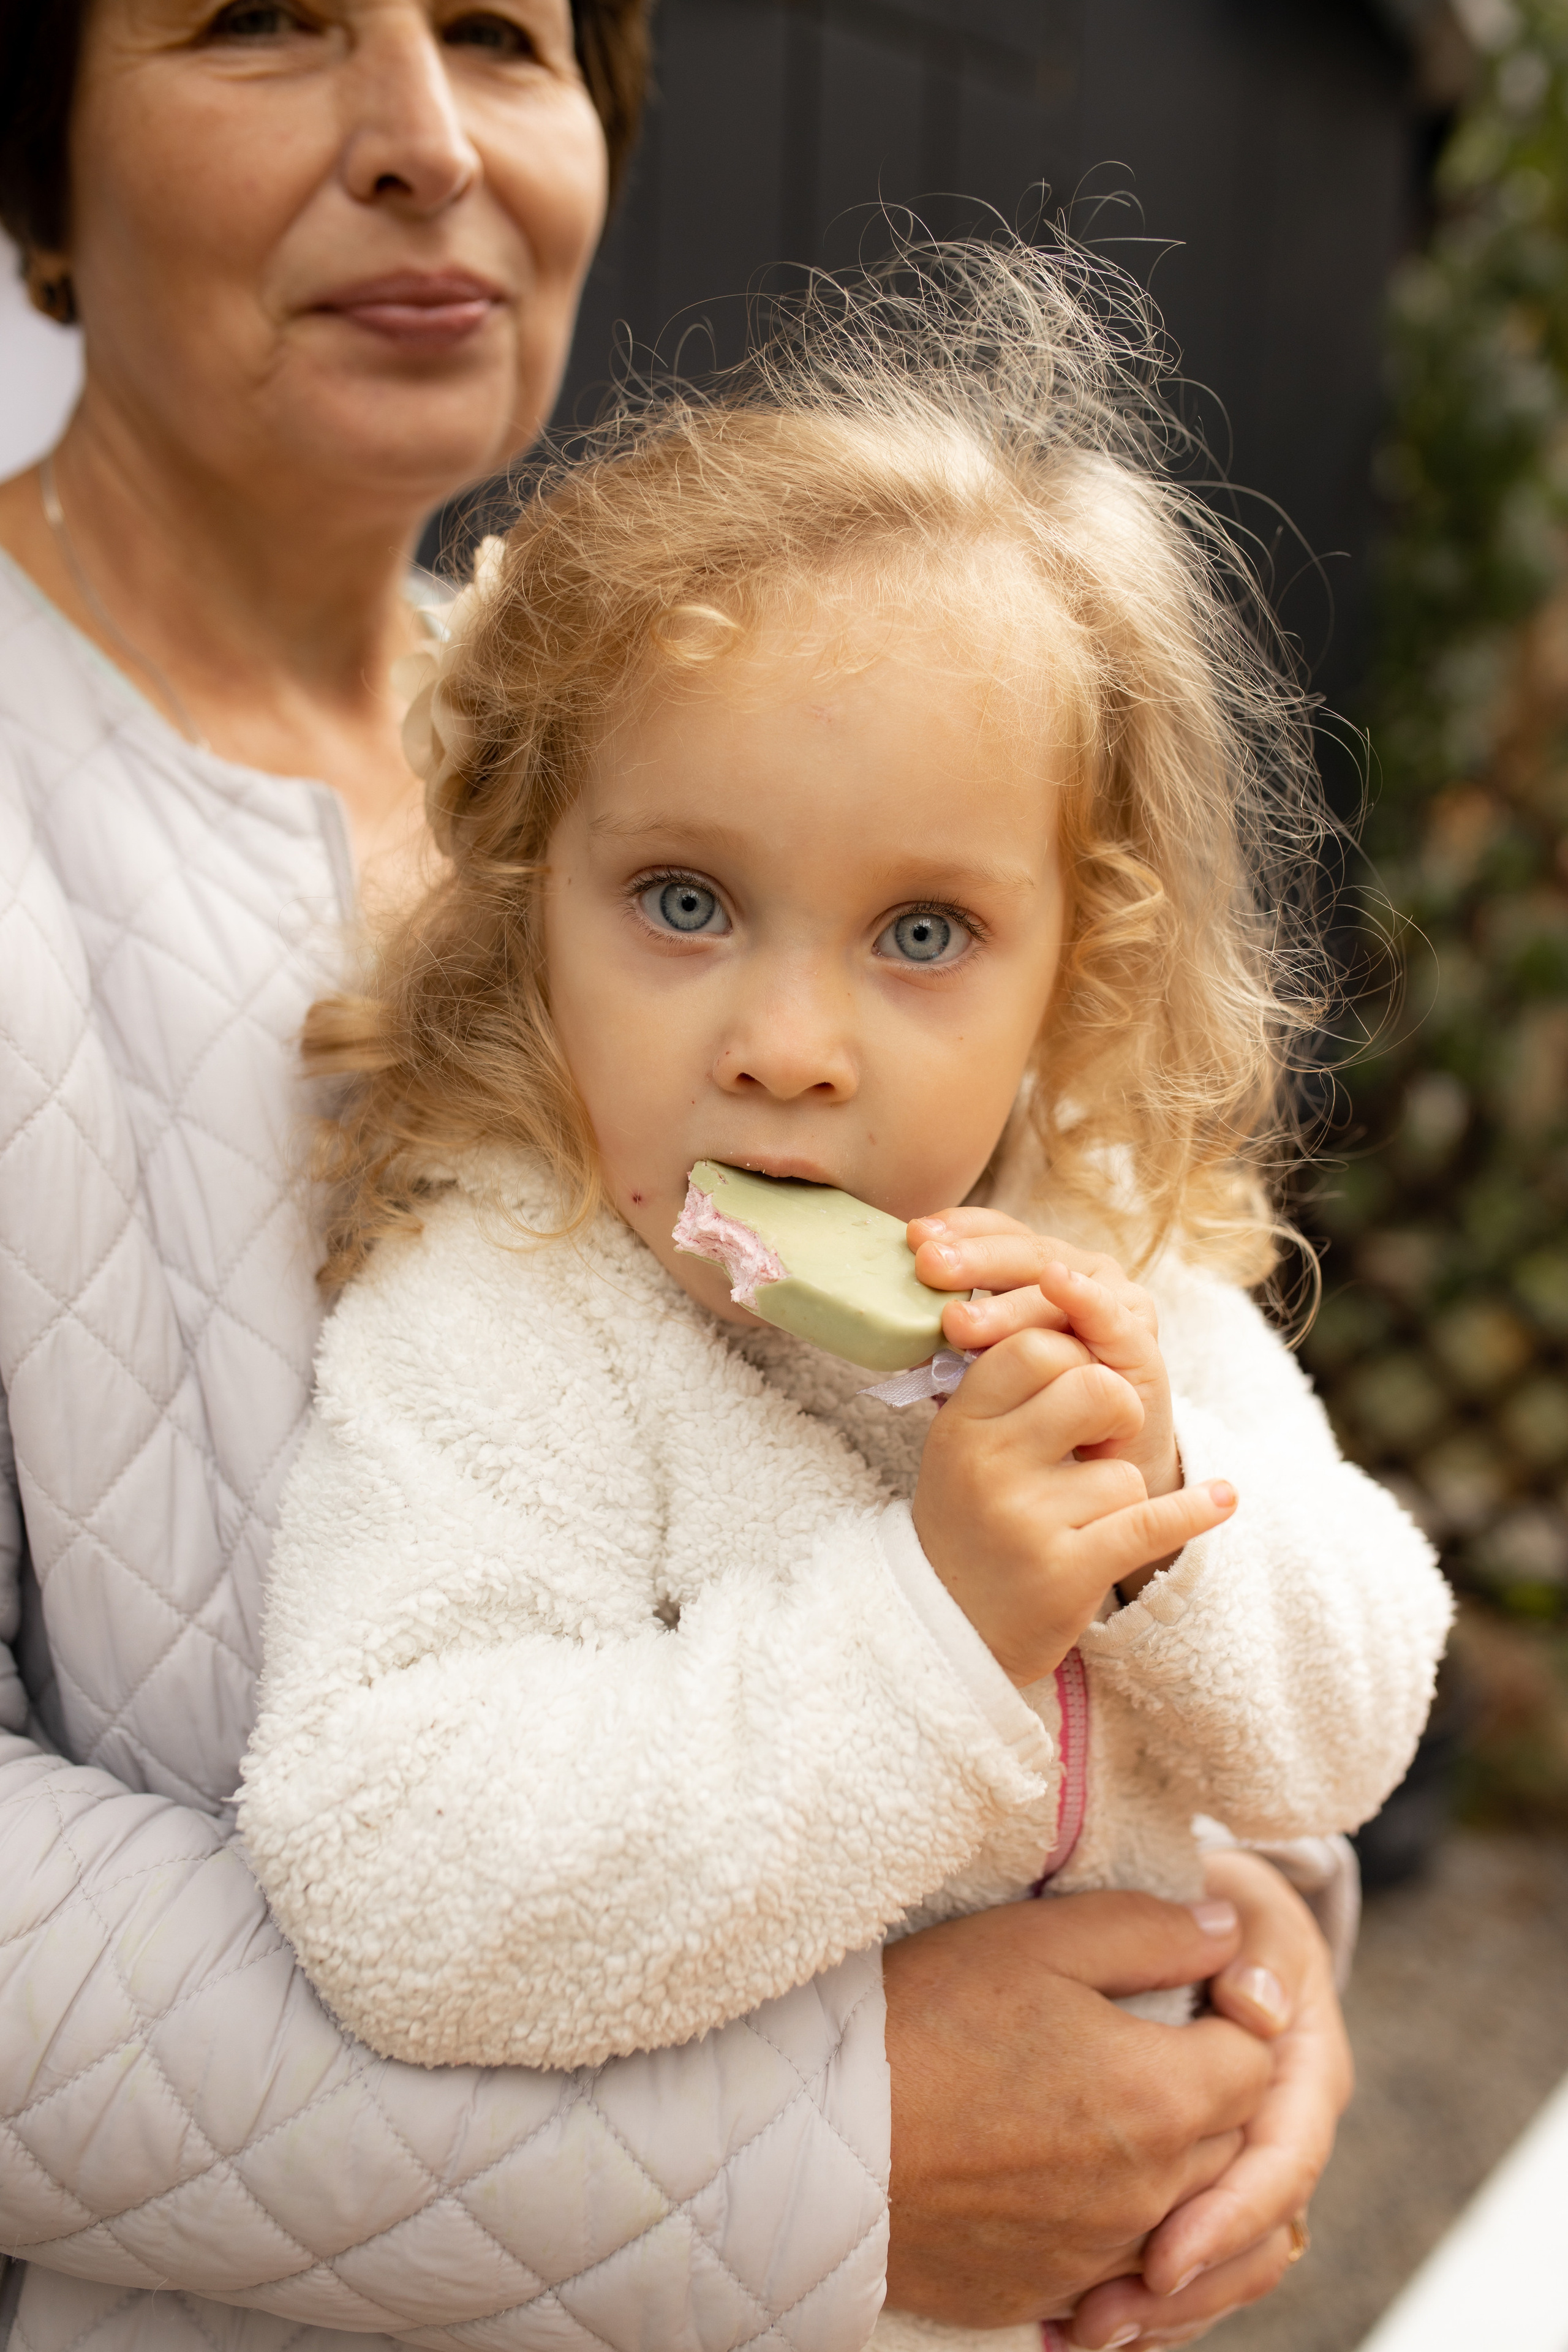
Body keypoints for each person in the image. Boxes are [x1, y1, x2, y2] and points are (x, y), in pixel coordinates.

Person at [0, 7, 1357, 2349]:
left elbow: (1218, 1677)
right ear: (32, 144)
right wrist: (824, 2161)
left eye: (506, 36)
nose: (427, 141)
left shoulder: (712, 733)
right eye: (260, 18)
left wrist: (1236, 1998)